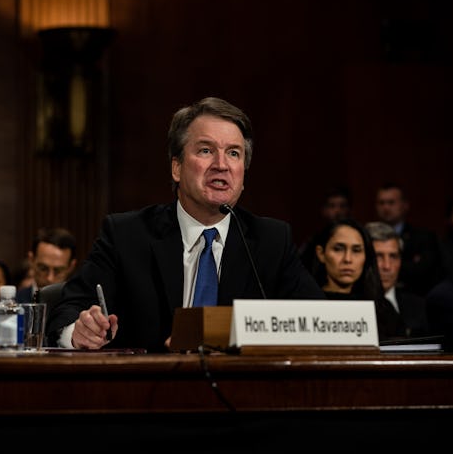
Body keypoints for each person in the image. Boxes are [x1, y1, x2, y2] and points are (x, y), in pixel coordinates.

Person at [45, 97, 325, 353]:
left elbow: (319, 322)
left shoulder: (270, 240)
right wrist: (78, 331)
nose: (221, 164)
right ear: (176, 167)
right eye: (206, 150)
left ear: (243, 173)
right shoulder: (127, 234)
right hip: (148, 395)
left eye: (234, 153)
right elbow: (68, 309)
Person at [310, 217, 405, 341]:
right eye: (338, 249)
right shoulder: (305, 304)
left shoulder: (383, 309)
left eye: (356, 250)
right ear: (321, 253)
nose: (348, 259)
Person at [375, 182, 443, 296]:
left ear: (405, 205)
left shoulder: (423, 237)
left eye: (391, 202)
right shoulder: (366, 236)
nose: (386, 207)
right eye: (381, 203)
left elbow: (424, 271)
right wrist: (410, 263)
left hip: (414, 297)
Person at [365, 221, 430, 337]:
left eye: (393, 256)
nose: (387, 266)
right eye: (378, 256)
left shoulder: (420, 307)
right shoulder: (350, 306)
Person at [16, 227, 78, 304]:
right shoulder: (13, 304)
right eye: (43, 268)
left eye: (58, 271)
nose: (50, 278)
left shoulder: (82, 305)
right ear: (31, 260)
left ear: (71, 266)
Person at [298, 186, 352, 271]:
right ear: (324, 210)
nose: (337, 211)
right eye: (332, 206)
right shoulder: (313, 241)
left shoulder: (357, 238)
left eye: (342, 206)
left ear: (349, 209)